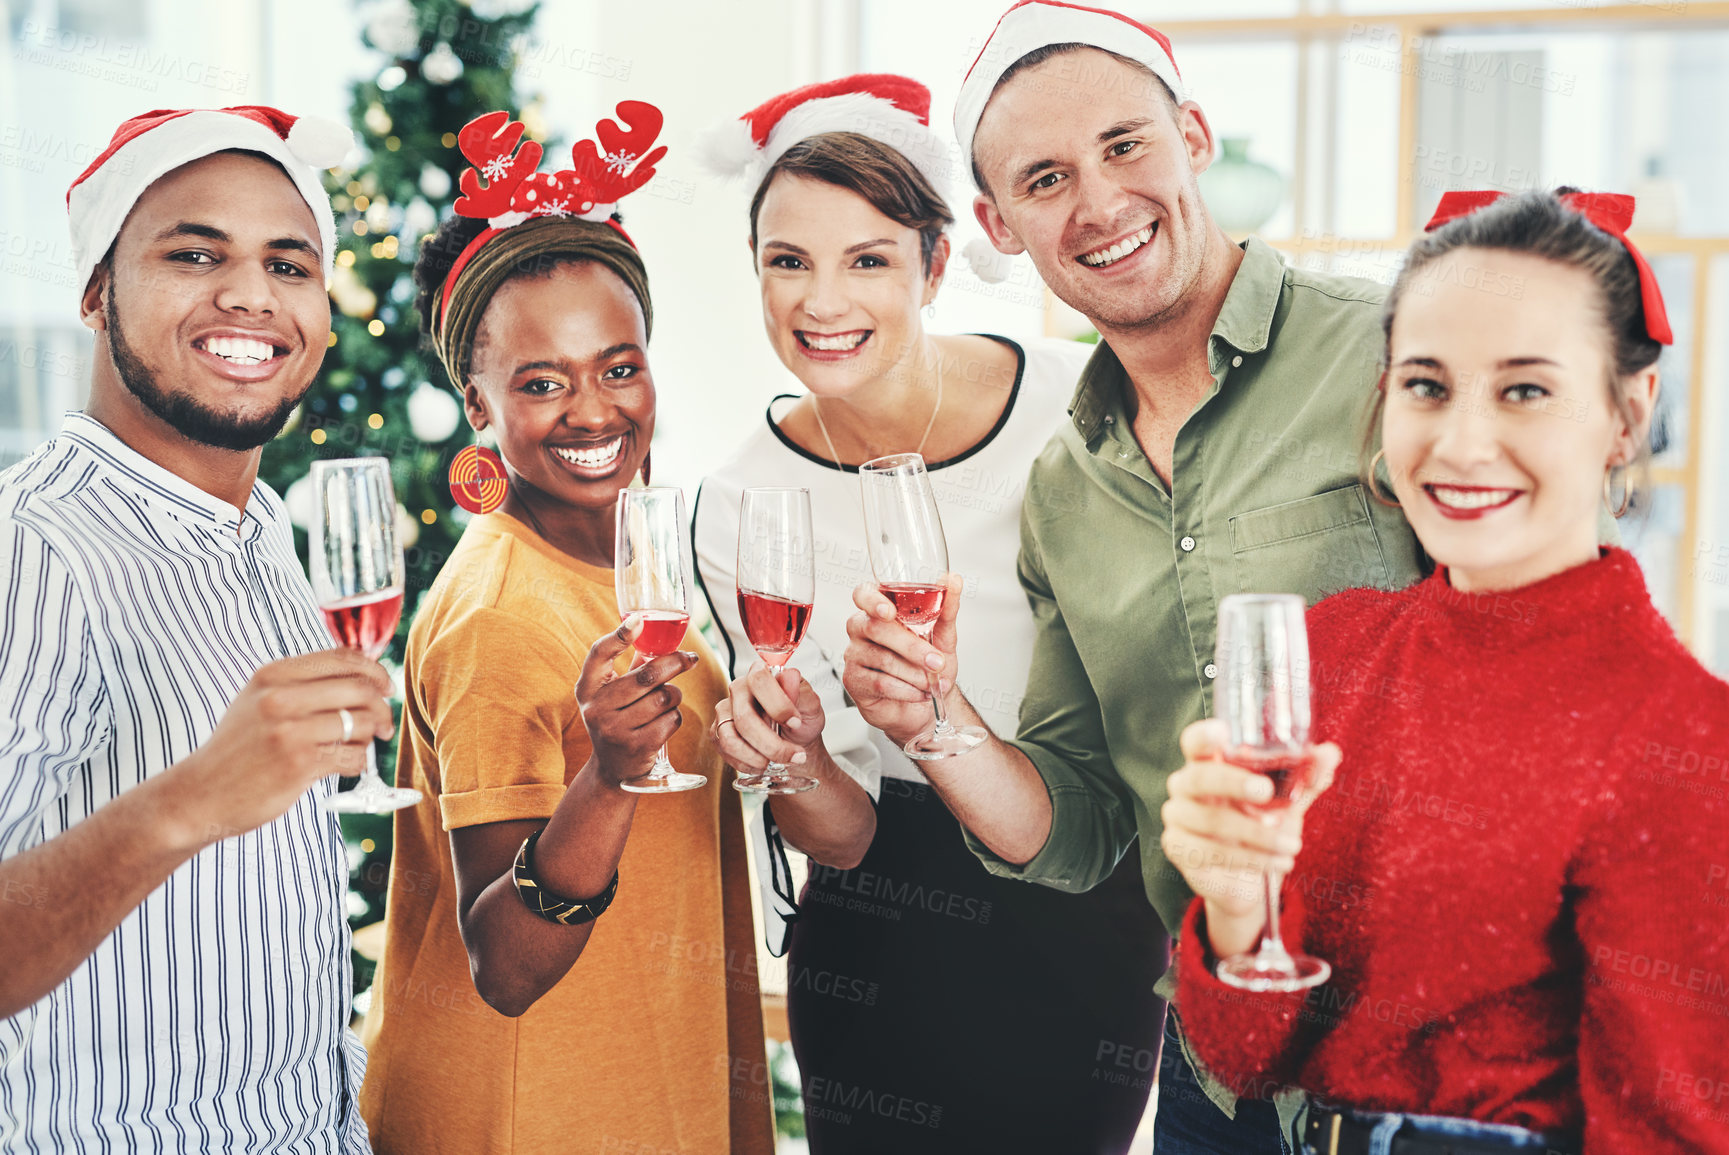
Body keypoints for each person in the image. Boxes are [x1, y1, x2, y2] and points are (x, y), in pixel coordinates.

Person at [837, 4, 1438, 1150]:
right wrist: (931, 721)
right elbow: (1079, 829)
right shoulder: (1063, 491)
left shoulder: (1392, 355)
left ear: (1194, 138)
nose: (1100, 204)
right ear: (998, 224)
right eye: (1046, 178)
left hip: (1432, 1060)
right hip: (1222, 1084)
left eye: (1126, 146)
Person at [1167, 188, 1728, 1155]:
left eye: (1524, 389)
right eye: (1426, 384)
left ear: (1627, 415)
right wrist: (1230, 903)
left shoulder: (1682, 736)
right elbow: (1246, 1061)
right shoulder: (1331, 650)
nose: (1462, 443)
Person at [693, 74, 1167, 1152]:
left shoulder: (1077, 404)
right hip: (878, 946)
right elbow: (844, 836)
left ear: (936, 265)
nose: (823, 303)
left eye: (868, 259)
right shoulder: (739, 506)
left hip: (1083, 910)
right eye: (788, 261)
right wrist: (799, 757)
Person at [355, 104, 773, 1155]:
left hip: (633, 1080)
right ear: (478, 401)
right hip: (528, 1112)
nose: (594, 413)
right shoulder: (499, 611)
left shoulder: (626, 564)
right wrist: (610, 776)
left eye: (618, 367)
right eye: (541, 383)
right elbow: (506, 964)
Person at [0, 107, 380, 1150]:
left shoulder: (261, 529)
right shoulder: (34, 549)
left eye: (289, 265)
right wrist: (186, 804)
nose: (251, 295)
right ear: (94, 292)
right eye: (194, 253)